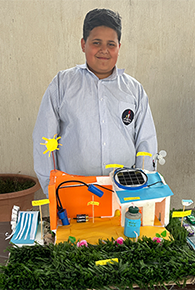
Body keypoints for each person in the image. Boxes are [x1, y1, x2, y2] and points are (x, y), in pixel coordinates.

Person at [33, 8, 157, 189]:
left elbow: (146, 142)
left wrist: (143, 186)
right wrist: (51, 188)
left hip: (124, 190)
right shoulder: (62, 84)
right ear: (83, 44)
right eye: (96, 43)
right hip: (73, 189)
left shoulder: (134, 89)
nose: (104, 50)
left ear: (119, 48)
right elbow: (44, 138)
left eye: (111, 44)